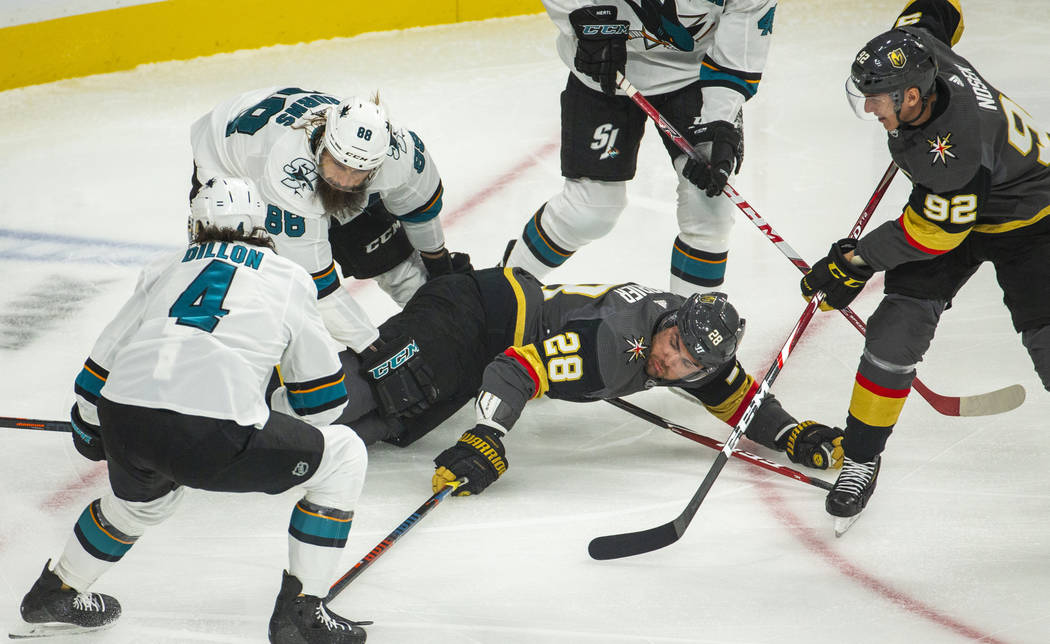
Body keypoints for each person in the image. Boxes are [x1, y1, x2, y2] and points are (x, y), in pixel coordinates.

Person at [12, 178, 370, 643]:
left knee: (141, 503)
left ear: (198, 223)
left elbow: (101, 363)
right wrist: (264, 413)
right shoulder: (288, 277)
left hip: (124, 417)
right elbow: (324, 403)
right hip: (212, 434)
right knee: (344, 455)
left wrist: (88, 423)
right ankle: (301, 614)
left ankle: (56, 591)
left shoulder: (167, 266)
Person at [799, 0, 1050, 526]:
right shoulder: (916, 47)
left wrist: (857, 259)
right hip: (959, 203)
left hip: (1030, 222)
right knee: (893, 332)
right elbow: (940, 10)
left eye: (877, 100)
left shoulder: (956, 145)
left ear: (912, 95)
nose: (870, 110)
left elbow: (934, 234)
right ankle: (861, 459)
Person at [330, 267, 844, 496]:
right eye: (673, 347)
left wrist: (790, 434)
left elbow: (737, 396)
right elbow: (515, 371)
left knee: (389, 426)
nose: (672, 363)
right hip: (479, 311)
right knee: (375, 388)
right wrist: (487, 435)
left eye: (688, 365)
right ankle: (259, 393)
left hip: (492, 347)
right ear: (669, 324)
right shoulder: (612, 348)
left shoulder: (696, 347)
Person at [501, 0, 776, 296]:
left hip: (694, 77)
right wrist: (583, 21)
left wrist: (721, 123)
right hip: (604, 71)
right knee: (590, 210)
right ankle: (499, 297)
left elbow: (740, 43)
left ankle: (684, 334)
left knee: (710, 208)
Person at [191, 86, 467, 353]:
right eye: (339, 165)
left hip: (294, 149)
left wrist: (440, 269)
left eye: (358, 171)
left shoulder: (401, 154)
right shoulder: (287, 176)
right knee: (249, 285)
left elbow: (421, 211)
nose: (344, 182)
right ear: (323, 143)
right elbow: (319, 286)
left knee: (390, 259)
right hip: (228, 165)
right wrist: (373, 348)